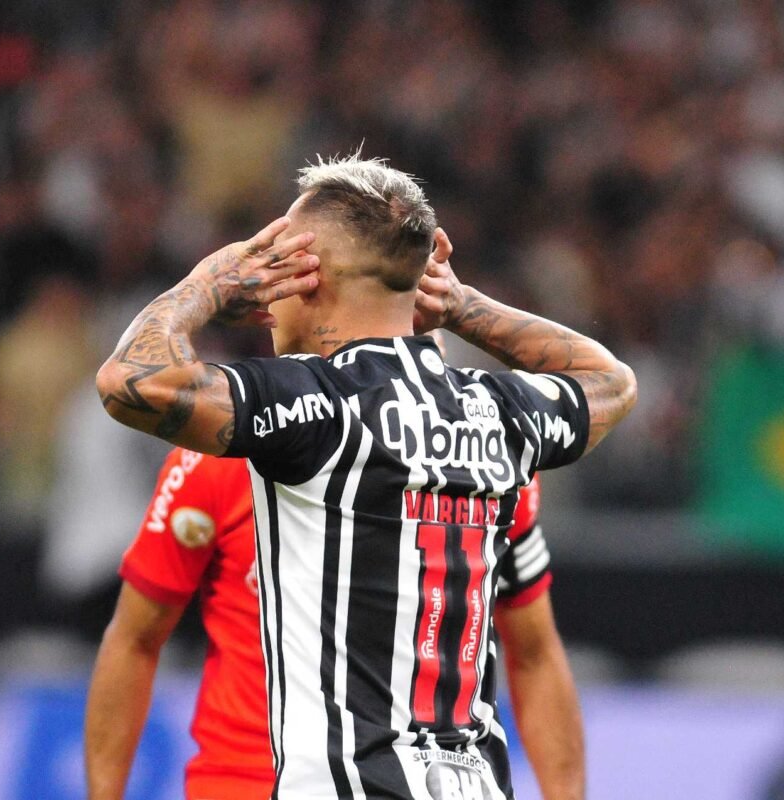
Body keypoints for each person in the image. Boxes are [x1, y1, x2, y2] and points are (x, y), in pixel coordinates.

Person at [96, 153, 635, 799]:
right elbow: (609, 383)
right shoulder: (498, 418)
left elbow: (130, 383)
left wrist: (205, 284)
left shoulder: (314, 408)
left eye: (279, 266)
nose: (267, 304)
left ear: (309, 278)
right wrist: (463, 305)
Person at [84, 453, 581, 800]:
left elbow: (534, 650)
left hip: (419, 783)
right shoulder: (224, 454)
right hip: (250, 785)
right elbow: (134, 640)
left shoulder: (487, 461)